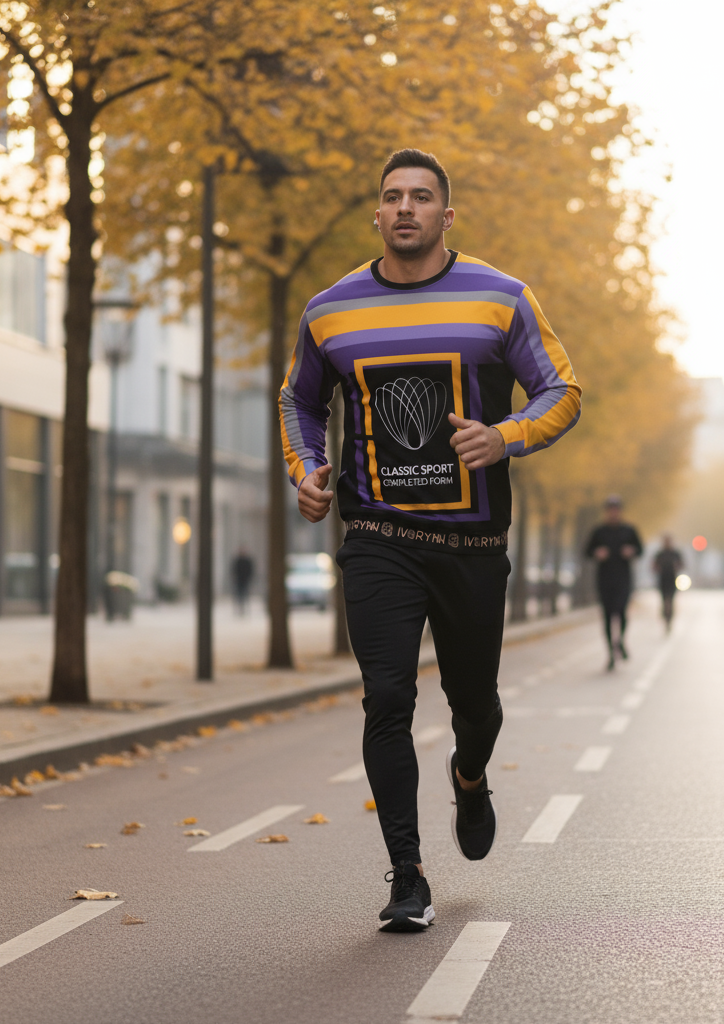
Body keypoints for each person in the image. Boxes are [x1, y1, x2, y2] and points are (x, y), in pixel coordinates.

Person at [279, 149, 581, 932]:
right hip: (377, 536)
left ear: (447, 216)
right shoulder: (329, 310)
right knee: (387, 697)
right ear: (376, 216)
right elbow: (299, 402)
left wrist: (505, 436)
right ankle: (407, 875)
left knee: (474, 703)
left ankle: (470, 773)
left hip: (473, 546)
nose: (405, 208)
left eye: (421, 198)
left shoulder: (501, 298)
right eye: (392, 197)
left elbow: (562, 390)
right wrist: (308, 471)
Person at [585, 496, 643, 670]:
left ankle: (620, 641)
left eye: (616, 509)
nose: (613, 512)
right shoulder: (599, 531)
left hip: (623, 580)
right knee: (608, 617)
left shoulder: (629, 530)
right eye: (610, 509)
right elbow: (587, 551)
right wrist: (597, 553)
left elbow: (641, 549)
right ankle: (610, 653)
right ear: (606, 511)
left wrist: (631, 551)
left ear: (620, 511)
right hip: (604, 580)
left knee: (622, 613)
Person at [652, 534, 683, 630]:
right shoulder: (660, 554)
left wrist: (676, 567)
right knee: (664, 600)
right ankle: (665, 616)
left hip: (672, 579)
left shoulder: (676, 554)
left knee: (671, 600)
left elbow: (681, 565)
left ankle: (669, 618)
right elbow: (654, 566)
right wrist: (658, 568)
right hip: (662, 580)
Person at [230, 550, 254, 614]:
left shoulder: (247, 561)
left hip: (245, 580)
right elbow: (234, 570)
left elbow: (250, 570)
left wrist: (249, 578)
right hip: (239, 580)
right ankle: (239, 608)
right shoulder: (238, 561)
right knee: (239, 595)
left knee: (245, 595)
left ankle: (245, 608)